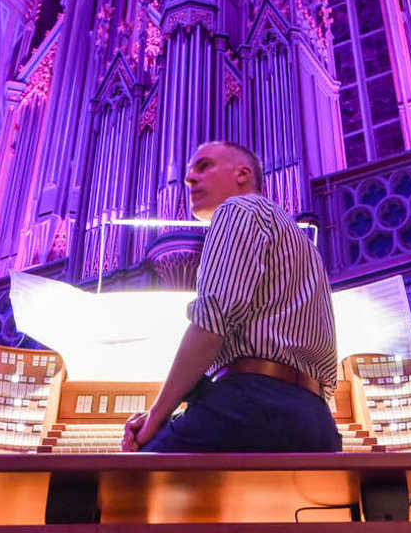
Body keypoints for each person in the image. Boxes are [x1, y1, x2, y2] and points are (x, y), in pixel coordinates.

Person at [122, 141, 341, 453]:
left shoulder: (237, 209)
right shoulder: (300, 240)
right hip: (315, 418)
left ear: (242, 174)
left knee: (122, 483)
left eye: (203, 166)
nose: (188, 179)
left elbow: (211, 326)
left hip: (250, 405)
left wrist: (156, 418)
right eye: (189, 171)